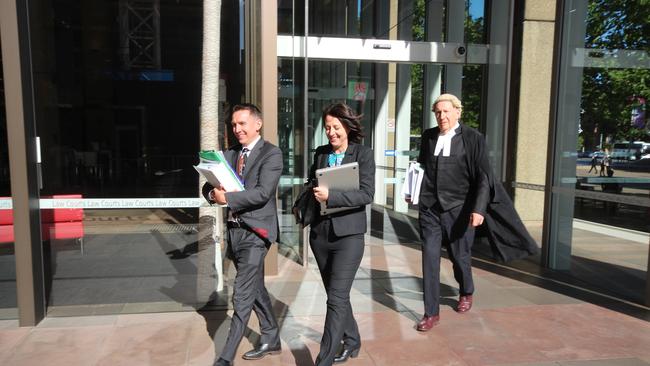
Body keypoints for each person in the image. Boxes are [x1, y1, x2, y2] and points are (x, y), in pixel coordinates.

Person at [412, 93, 537, 332]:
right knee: (429, 258)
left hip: (459, 209)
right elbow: (422, 168)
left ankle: (466, 290)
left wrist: (479, 209)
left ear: (458, 112)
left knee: (460, 256)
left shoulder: (472, 138)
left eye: (446, 111)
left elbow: (483, 178)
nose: (442, 116)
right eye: (438, 112)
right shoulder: (428, 136)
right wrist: (413, 190)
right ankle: (431, 313)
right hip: (430, 209)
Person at [203, 103, 283, 366]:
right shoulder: (230, 154)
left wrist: (228, 196)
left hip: (256, 233)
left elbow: (262, 193)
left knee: (242, 294)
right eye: (234, 125)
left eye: (242, 124)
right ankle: (271, 337)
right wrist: (212, 194)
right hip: (235, 232)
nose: (237, 129)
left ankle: (225, 357)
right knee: (255, 287)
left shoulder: (271, 154)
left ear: (257, 124)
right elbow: (208, 184)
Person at [307, 103, 375, 365]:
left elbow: (366, 194)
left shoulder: (363, 154)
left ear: (348, 126)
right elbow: (311, 182)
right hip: (320, 235)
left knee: (335, 299)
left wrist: (331, 196)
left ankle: (323, 360)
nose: (331, 132)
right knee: (337, 296)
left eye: (336, 127)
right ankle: (353, 340)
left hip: (349, 237)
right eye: (327, 127)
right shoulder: (322, 154)